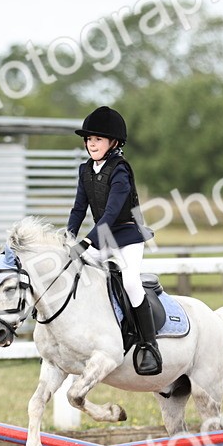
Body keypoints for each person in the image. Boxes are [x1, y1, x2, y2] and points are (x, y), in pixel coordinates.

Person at [65, 105, 161, 376]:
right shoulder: (85, 170)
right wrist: (68, 237)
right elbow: (78, 208)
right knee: (75, 274)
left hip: (127, 237)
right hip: (103, 238)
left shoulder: (120, 170)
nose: (92, 144)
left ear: (114, 142)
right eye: (89, 139)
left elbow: (110, 212)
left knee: (130, 282)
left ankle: (149, 345)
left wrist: (87, 241)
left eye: (98, 139)